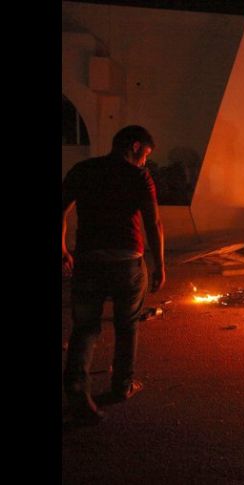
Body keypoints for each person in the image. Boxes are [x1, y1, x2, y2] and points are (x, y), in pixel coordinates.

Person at [62, 125, 165, 424]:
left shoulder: (83, 170)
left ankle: (77, 389)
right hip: (127, 263)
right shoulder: (139, 176)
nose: (145, 161)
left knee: (85, 328)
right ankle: (122, 386)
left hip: (89, 262)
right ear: (135, 146)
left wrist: (62, 250)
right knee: (127, 325)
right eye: (145, 154)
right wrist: (160, 265)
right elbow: (154, 223)